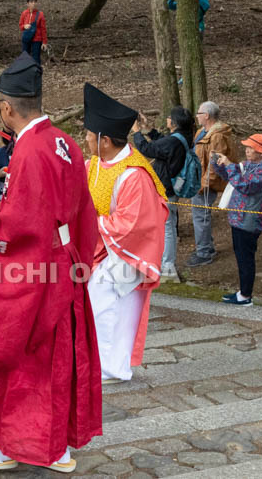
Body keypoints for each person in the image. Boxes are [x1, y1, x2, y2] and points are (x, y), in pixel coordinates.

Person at [0, 53, 102, 473]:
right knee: (54, 360)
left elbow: (17, 224)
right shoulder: (65, 142)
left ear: (5, 107)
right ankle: (55, 449)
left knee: (9, 351)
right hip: (63, 264)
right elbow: (83, 213)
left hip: (34, 269)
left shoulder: (29, 150)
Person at [83, 84, 168, 383]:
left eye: (90, 136)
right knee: (98, 303)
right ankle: (102, 363)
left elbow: (134, 224)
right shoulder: (95, 164)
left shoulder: (134, 174)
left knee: (104, 300)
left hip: (128, 252)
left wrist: (91, 222)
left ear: (105, 140)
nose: (86, 140)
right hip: (105, 247)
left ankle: (112, 367)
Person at [211, 134, 262, 306]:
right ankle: (243, 292)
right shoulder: (250, 164)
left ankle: (246, 296)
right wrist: (217, 163)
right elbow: (232, 176)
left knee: (245, 258)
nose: (247, 151)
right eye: (247, 147)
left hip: (250, 220)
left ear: (261, 153)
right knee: (241, 256)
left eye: (251, 148)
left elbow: (245, 186)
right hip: (238, 217)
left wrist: (229, 166)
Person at [132, 107, 194, 279]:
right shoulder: (182, 137)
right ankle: (166, 263)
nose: (166, 118)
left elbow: (147, 149)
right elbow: (161, 142)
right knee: (169, 226)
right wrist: (147, 129)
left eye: (168, 117)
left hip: (165, 189)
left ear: (174, 122)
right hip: (172, 188)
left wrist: (137, 132)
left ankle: (167, 266)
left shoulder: (174, 141)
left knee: (167, 228)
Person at [186, 101, 237, 267]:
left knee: (201, 218)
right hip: (198, 181)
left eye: (199, 113)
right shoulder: (203, 132)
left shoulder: (217, 136)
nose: (197, 116)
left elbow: (215, 165)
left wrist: (204, 185)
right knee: (200, 217)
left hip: (205, 185)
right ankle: (206, 247)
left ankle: (204, 253)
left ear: (206, 115)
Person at [18, 0, 48, 65]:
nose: (33, 3)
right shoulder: (24, 13)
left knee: (36, 58)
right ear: (27, 3)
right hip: (26, 38)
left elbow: (43, 29)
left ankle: (36, 73)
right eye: (31, 2)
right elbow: (20, 25)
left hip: (37, 39)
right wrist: (24, 26)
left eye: (35, 2)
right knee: (25, 56)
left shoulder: (40, 14)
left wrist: (44, 42)